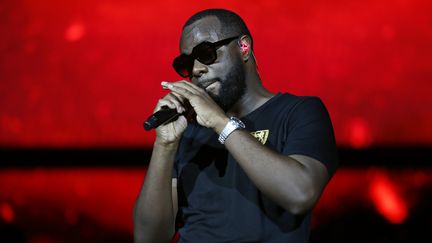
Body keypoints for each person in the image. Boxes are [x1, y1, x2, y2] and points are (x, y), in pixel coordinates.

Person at [134, 8, 338, 243]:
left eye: (206, 53)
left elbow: (300, 193)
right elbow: (147, 237)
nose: (196, 69)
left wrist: (221, 123)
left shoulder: (298, 112)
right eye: (186, 63)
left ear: (244, 47)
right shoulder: (187, 134)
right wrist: (165, 144)